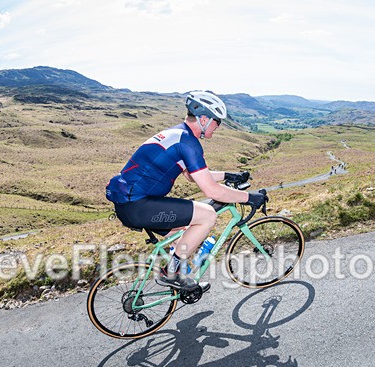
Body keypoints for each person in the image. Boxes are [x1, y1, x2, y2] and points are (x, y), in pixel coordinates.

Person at [106, 90, 266, 291]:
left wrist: (228, 175)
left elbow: (193, 175)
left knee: (183, 232)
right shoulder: (188, 143)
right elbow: (212, 191)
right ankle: (171, 274)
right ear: (204, 119)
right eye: (218, 121)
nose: (218, 126)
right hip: (138, 205)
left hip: (130, 204)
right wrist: (249, 197)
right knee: (207, 215)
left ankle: (184, 281)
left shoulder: (179, 134)